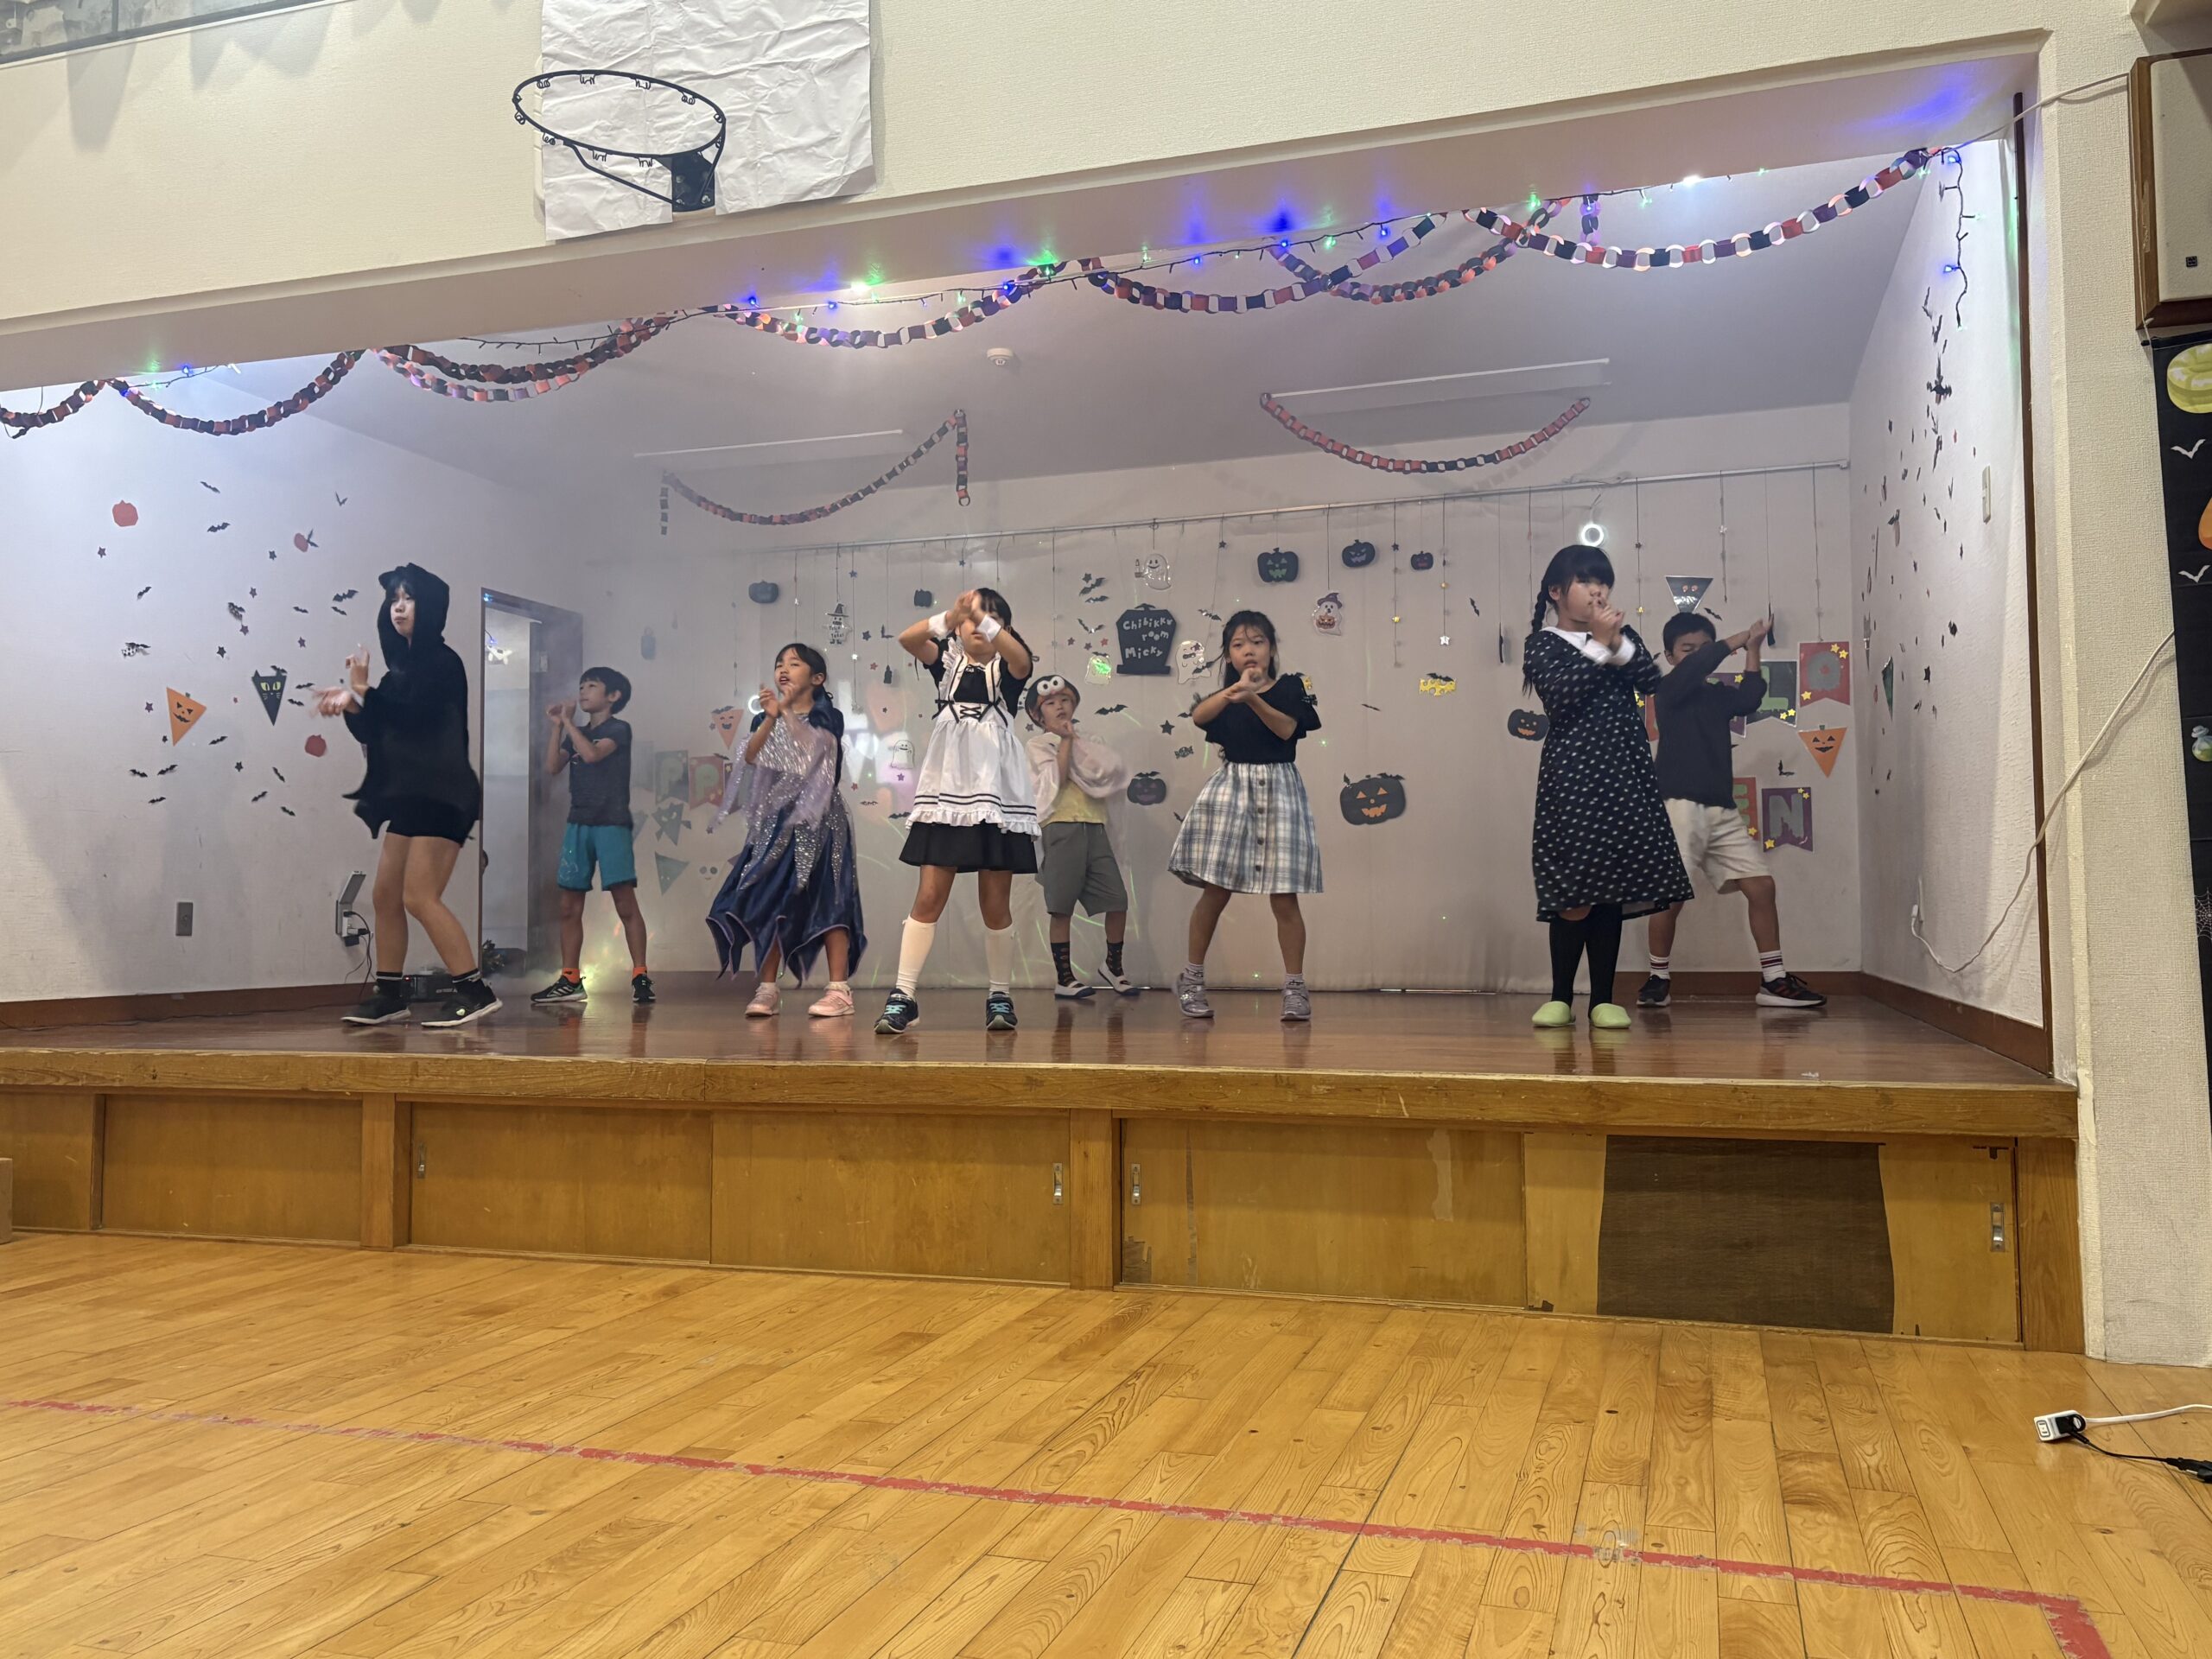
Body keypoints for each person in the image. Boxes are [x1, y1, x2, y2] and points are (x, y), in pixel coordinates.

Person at [316, 563, 498, 1030]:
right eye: (394, 599)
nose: (398, 607)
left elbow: (415, 718)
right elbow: (375, 729)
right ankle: (390, 994)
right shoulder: (399, 673)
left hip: (444, 795)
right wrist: (354, 700)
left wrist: (361, 692)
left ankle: (474, 990)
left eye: (409, 598)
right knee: (385, 895)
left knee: (419, 896)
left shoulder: (443, 663)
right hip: (413, 795)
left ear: (429, 606)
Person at [1522, 546, 1694, 1031]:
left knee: (1610, 889)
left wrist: (1615, 641)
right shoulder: (1543, 643)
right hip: (1574, 777)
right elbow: (1561, 696)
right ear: (1557, 592)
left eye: (1604, 583)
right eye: (1586, 582)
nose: (1598, 591)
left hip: (1625, 774)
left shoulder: (1622, 636)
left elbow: (1650, 680)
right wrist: (1598, 645)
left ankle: (1602, 999)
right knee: (1575, 891)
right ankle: (1560, 997)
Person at [1641, 614, 1827, 1010]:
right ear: (1670, 657)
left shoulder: (1715, 696)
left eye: (1704, 647)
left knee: (1761, 886)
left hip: (1721, 808)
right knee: (1669, 898)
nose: (1697, 655)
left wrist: (1753, 649)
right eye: (1688, 649)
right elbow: (1698, 665)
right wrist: (1737, 638)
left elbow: (1750, 697)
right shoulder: (1667, 690)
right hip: (1677, 806)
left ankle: (1774, 980)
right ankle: (1658, 978)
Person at [876, 588, 1039, 1034]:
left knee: (994, 903)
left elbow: (1021, 659)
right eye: (973, 619)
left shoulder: (1009, 670)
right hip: (946, 797)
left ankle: (999, 994)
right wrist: (950, 616)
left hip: (996, 798)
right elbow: (909, 639)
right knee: (929, 896)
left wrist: (981, 618)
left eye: (992, 618)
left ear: (1003, 627)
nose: (979, 625)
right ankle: (904, 995)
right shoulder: (947, 664)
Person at [1170, 610, 1322, 1022]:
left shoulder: (1291, 687)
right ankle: (1192, 979)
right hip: (1234, 789)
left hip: (1280, 789)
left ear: (1271, 648)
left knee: (1284, 896)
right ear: (1228, 656)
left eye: (1257, 641)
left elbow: (1286, 730)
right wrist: (1236, 690)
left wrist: (1253, 696)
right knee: (1216, 891)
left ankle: (1295, 988)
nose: (1248, 650)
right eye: (1238, 645)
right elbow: (1199, 716)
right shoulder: (1228, 695)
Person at [707, 643, 865, 1017]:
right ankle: (767, 989)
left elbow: (809, 755)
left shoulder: (829, 716)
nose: (783, 669)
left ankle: (839, 990)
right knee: (771, 901)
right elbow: (751, 756)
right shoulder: (767, 716)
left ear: (817, 678)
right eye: (780, 663)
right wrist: (771, 718)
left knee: (831, 898)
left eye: (794, 664)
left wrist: (787, 714)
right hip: (777, 822)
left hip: (821, 821)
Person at [531, 668, 652, 1007]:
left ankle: (641, 975)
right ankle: (570, 979)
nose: (583, 691)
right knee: (569, 905)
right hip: (578, 822)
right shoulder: (576, 731)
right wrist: (558, 727)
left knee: (624, 902)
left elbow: (593, 755)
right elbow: (552, 766)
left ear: (613, 696)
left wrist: (569, 723)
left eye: (592, 686)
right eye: (581, 685)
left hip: (612, 823)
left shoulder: (618, 729)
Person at [1024, 675, 1136, 998]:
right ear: (1037, 714)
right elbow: (1054, 781)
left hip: (1095, 826)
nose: (1060, 706)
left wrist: (1076, 742)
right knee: (1061, 907)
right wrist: (1066, 741)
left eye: (1065, 700)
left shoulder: (1090, 740)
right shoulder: (1038, 745)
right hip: (1060, 827)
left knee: (1118, 900)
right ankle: (1064, 979)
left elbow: (1108, 773)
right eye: (1050, 703)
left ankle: (1113, 967)